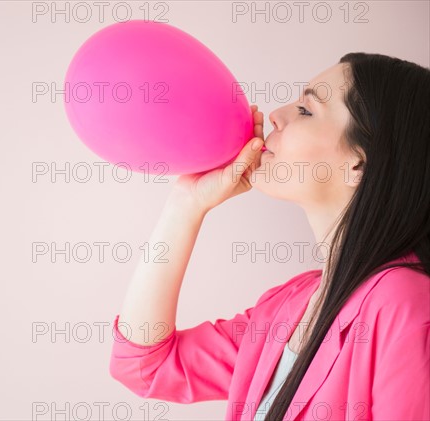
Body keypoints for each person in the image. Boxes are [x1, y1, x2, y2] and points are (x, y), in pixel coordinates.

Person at [109, 52, 430, 420]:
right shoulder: (289, 305)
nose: (275, 114)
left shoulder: (404, 306)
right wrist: (186, 205)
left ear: (359, 164)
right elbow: (144, 366)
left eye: (307, 110)